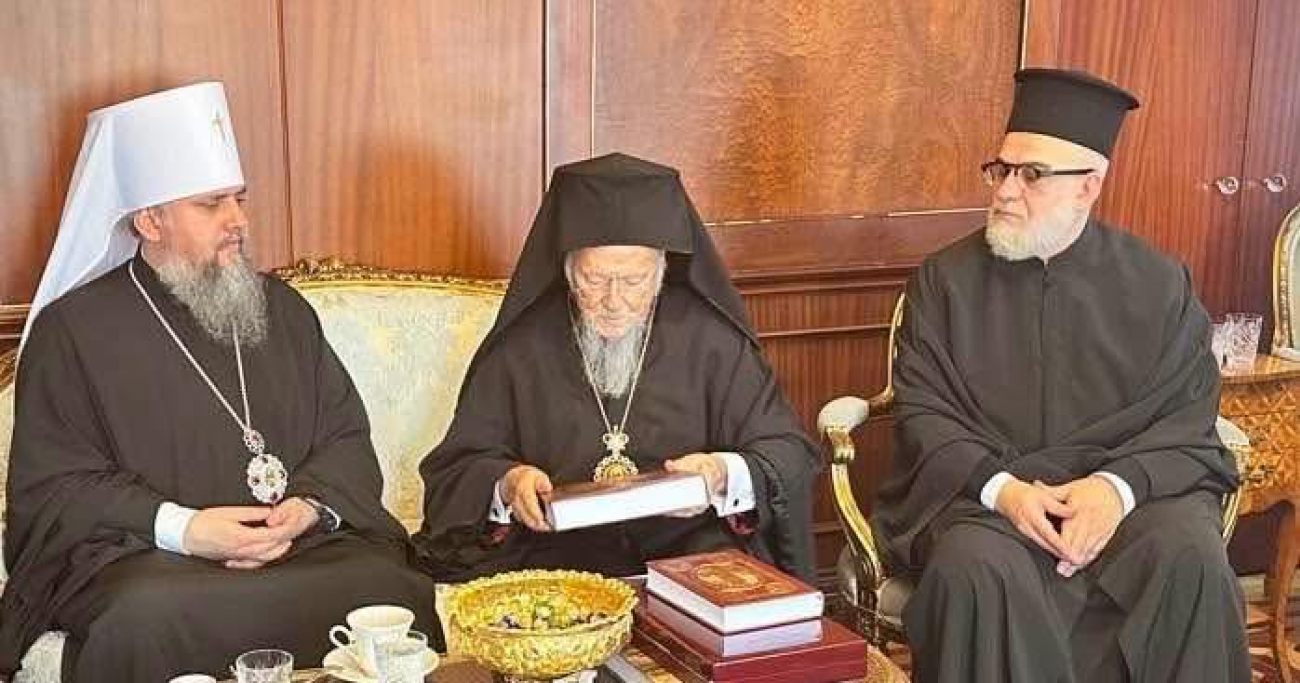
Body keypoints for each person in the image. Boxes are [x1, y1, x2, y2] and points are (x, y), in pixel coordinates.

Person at [1, 82, 437, 682]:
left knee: (387, 586)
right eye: (211, 205)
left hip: (297, 547)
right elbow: (57, 488)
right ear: (150, 220)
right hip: (153, 558)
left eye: (238, 199)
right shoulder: (74, 330)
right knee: (142, 616)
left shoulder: (282, 309)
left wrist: (308, 507)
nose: (238, 221)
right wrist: (187, 530)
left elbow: (344, 436)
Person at [873, 68, 1248, 683]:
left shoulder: (1159, 283)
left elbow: (1186, 414)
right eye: (1001, 169)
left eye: (1032, 175)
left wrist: (1114, 489)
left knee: (1191, 555)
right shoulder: (945, 281)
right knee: (973, 569)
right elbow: (924, 411)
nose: (1005, 191)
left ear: (1089, 187)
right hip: (992, 501)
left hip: (1128, 503)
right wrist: (1007, 492)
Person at [414, 153, 820, 582]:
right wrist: (508, 482)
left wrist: (719, 474)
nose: (613, 300)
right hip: (554, 553)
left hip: (689, 549)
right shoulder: (522, 345)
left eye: (633, 281)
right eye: (594, 279)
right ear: (569, 270)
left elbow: (788, 452)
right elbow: (456, 468)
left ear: (661, 271)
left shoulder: (711, 340)